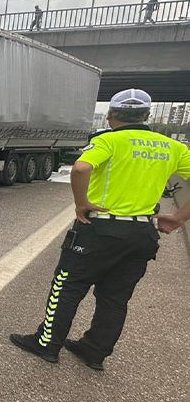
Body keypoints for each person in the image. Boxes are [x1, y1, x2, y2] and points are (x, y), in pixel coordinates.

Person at [10, 88, 190, 370]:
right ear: (147, 115)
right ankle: (94, 350)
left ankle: (47, 343)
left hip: (101, 228)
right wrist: (179, 217)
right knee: (115, 296)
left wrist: (81, 203)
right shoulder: (172, 147)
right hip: (143, 232)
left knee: (67, 285)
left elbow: (81, 169)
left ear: (111, 114)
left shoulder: (109, 140)